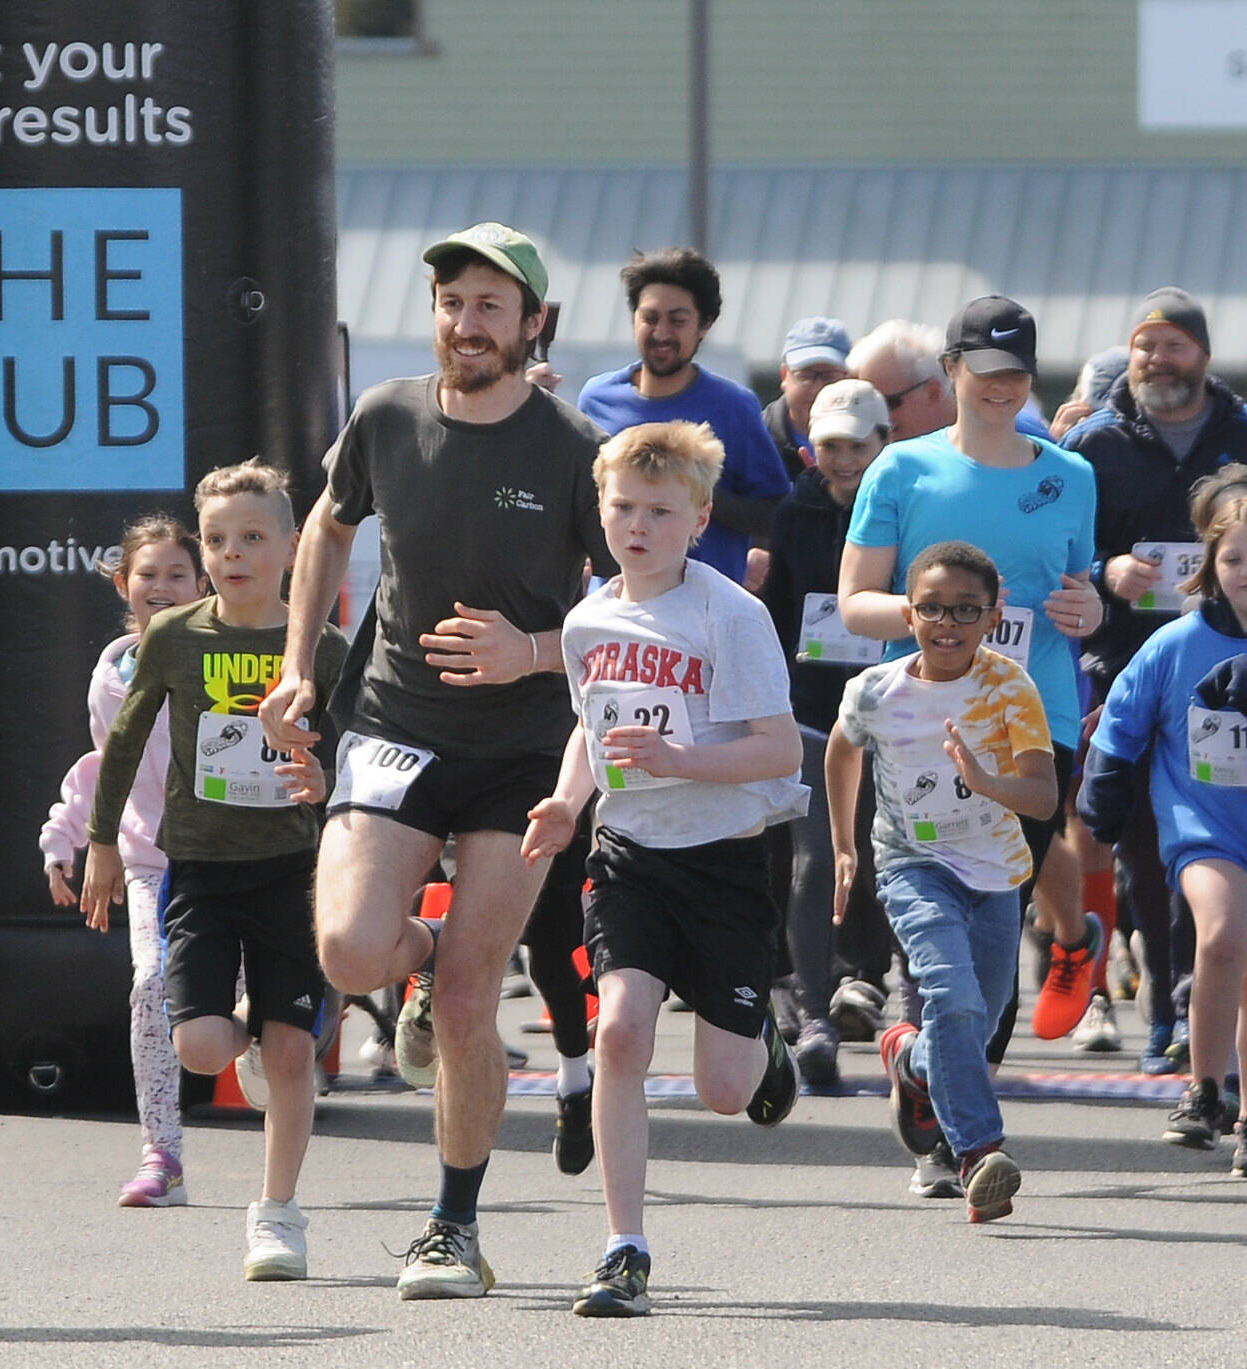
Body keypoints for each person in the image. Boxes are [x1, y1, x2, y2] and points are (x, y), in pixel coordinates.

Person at [261, 222, 611, 1301]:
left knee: (467, 1000)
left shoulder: (569, 447)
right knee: (349, 952)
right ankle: (416, 951)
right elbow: (323, 525)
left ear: (531, 325)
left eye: (490, 307)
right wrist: (297, 668)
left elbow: (621, 610)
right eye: (452, 302)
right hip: (393, 727)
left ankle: (452, 1226)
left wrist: (531, 650)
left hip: (519, 752)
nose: (466, 323)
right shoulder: (385, 416)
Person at [523, 419, 805, 1319]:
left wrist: (679, 759)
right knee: (619, 1034)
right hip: (630, 856)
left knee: (726, 1093)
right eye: (621, 508)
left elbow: (774, 753)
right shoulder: (587, 618)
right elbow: (590, 727)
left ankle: (760, 1041)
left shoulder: (732, 614)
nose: (636, 526)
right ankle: (623, 1247)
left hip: (724, 862)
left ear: (699, 517)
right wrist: (569, 803)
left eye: (659, 510)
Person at [81, 461, 347, 1281]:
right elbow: (123, 742)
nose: (233, 554)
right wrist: (98, 840)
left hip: (292, 869)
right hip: (198, 865)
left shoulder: (322, 649)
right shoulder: (176, 637)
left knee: (292, 1053)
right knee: (200, 1046)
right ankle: (256, 1028)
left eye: (253, 537)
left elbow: (353, 748)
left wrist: (327, 782)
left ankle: (277, 1214)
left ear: (292, 548)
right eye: (219, 539)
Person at [838, 296, 1106, 1060]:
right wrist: (947, 615)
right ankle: (944, 1113)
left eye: (1016, 372)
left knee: (998, 910)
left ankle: (946, 1078)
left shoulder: (1072, 475)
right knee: (932, 919)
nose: (1001, 386)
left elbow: (1079, 592)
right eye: (985, 369)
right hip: (923, 718)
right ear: (950, 371)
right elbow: (856, 605)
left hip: (1034, 716)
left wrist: (1087, 607)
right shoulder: (902, 467)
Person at [828, 541, 1059, 1223]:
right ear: (908, 611)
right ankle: (979, 1153)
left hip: (995, 872)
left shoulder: (1010, 686)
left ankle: (910, 1058)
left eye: (965, 609)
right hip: (912, 863)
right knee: (951, 998)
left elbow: (1044, 796)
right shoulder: (876, 690)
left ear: (994, 615)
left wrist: (988, 782)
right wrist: (845, 845)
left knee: (976, 1020)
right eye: (931, 608)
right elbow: (841, 751)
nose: (947, 623)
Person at [1063, 288, 1247, 1072]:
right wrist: (1108, 570)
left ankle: (1192, 1011)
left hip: (1228, 669)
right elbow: (1066, 551)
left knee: (1210, 855)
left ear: (1202, 354)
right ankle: (1169, 1009)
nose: (1157, 360)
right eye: (1145, 346)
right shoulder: (1098, 445)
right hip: (1130, 660)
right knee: (1143, 848)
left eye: (1173, 345)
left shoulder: (1241, 430)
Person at [1079, 472, 1247, 1161]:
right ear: (1211, 561)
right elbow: (1120, 726)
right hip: (1204, 825)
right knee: (1224, 933)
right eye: (1236, 559)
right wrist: (1105, 804)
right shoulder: (1173, 644)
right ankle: (1205, 1086)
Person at [39, 515, 206, 1206]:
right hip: (149, 864)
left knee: (243, 1008)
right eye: (149, 575)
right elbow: (106, 768)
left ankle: (275, 1041)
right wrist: (66, 837)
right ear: (123, 584)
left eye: (177, 575)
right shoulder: (111, 677)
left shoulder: (228, 654)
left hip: (234, 858)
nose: (162, 588)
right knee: (150, 984)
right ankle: (161, 1152)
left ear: (202, 585)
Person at [758, 378, 892, 1090]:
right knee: (814, 857)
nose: (841, 460)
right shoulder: (797, 507)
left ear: (883, 444)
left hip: (893, 707)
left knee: (880, 855)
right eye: (829, 445)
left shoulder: (905, 500)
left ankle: (881, 984)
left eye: (855, 446)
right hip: (811, 705)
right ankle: (814, 1015)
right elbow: (780, 606)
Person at [574, 249, 793, 591]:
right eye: (650, 318)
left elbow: (775, 511)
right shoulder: (597, 398)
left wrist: (689, 494)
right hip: (615, 606)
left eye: (677, 321)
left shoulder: (733, 407)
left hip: (705, 612)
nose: (661, 333)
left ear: (704, 325)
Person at [848, 319, 1055, 445]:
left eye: (888, 402)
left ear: (933, 392)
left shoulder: (1023, 438)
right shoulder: (870, 452)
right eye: (867, 400)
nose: (875, 413)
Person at [762, 317, 853, 480]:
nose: (818, 388)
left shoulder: (868, 439)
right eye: (806, 375)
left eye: (829, 377)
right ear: (784, 376)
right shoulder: (757, 438)